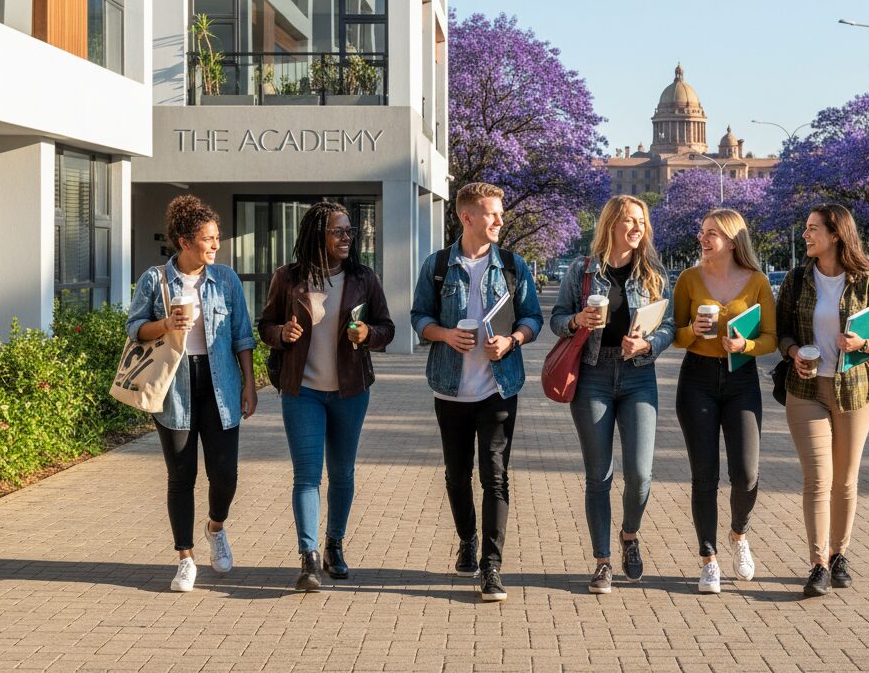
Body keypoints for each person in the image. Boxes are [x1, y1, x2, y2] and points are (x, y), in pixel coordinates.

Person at [410, 182, 543, 602]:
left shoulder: (512, 266)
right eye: (492, 213)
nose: (501, 220)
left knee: (495, 476)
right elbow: (419, 317)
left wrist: (513, 340)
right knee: (456, 475)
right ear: (467, 217)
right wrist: (445, 335)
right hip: (450, 390)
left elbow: (533, 318)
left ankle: (491, 565)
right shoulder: (437, 266)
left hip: (498, 389)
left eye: (501, 212)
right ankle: (467, 538)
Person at [259, 200, 395, 592]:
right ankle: (309, 556)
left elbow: (387, 328)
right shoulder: (288, 278)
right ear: (318, 234)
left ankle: (335, 544)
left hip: (350, 392)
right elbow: (265, 325)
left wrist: (368, 334)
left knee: (342, 473)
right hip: (302, 392)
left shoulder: (363, 278)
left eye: (350, 231)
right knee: (306, 475)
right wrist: (281, 333)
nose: (347, 237)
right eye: (339, 231)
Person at [126, 194, 258, 593]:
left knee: (225, 475)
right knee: (181, 476)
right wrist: (166, 324)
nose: (216, 245)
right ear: (184, 241)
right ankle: (185, 558)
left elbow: (242, 336)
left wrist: (249, 384)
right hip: (175, 389)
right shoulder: (155, 280)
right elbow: (134, 328)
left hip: (221, 386)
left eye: (217, 237)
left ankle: (215, 527)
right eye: (208, 239)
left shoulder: (227, 279)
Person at [550, 195, 675, 594]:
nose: (638, 228)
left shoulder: (653, 271)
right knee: (598, 475)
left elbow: (669, 324)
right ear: (611, 225)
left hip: (639, 376)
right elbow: (556, 319)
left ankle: (629, 534)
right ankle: (602, 561)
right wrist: (576, 320)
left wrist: (649, 345)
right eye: (630, 221)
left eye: (642, 221)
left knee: (639, 475)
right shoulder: (582, 270)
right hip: (593, 375)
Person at [776, 203, 869, 597]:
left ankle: (839, 553)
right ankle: (818, 564)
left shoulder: (867, 283)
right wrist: (794, 352)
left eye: (813, 228)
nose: (805, 235)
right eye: (806, 228)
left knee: (844, 480)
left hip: (855, 391)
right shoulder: (796, 280)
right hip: (806, 390)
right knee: (817, 479)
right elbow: (781, 333)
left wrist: (866, 344)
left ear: (835, 234)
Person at [671, 208, 776, 594]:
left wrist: (745, 345)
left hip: (741, 379)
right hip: (696, 379)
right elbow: (675, 334)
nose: (703, 238)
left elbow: (771, 338)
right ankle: (709, 559)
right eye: (702, 231)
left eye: (712, 233)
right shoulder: (688, 279)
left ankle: (739, 534)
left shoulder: (757, 281)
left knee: (746, 474)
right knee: (704, 475)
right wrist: (691, 331)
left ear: (732, 241)